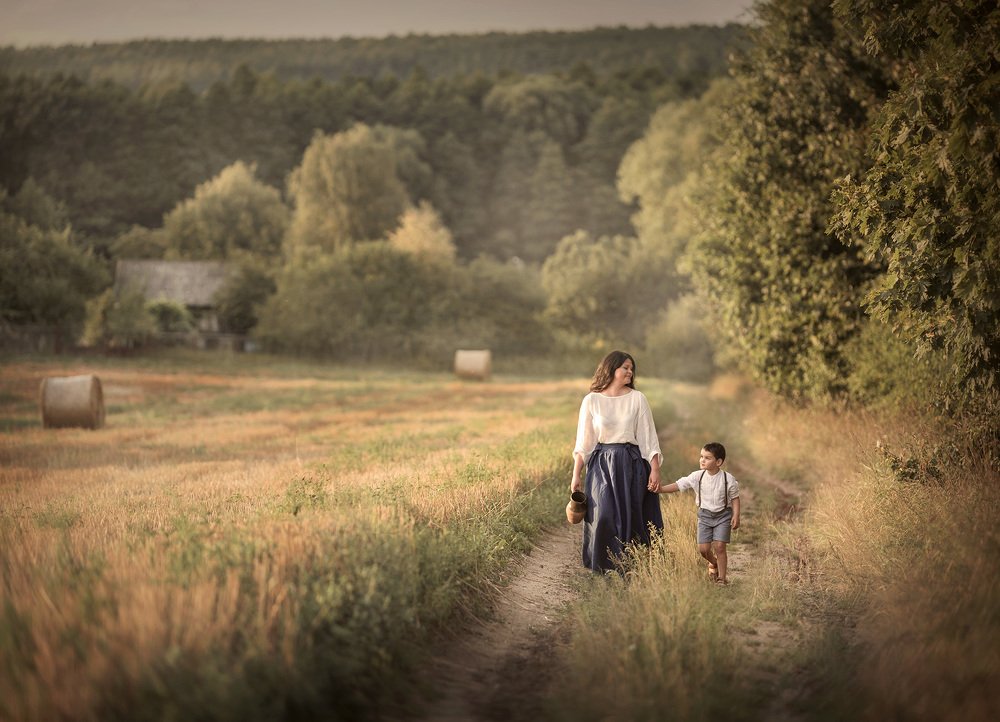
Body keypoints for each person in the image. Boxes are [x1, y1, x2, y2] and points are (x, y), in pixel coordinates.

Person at [572, 350, 663, 572]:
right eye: (625, 367)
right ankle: (604, 569)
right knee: (603, 515)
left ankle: (633, 567)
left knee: (633, 516)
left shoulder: (637, 398)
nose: (630, 372)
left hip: (632, 464)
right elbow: (584, 443)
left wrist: (654, 469)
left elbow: (648, 437)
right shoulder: (592, 400)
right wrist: (576, 475)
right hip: (602, 466)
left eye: (632, 368)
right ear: (611, 369)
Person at [658, 442, 741, 585]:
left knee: (720, 546)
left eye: (707, 458)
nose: (702, 460)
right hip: (704, 516)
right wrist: (661, 489)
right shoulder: (698, 476)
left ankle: (722, 578)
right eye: (701, 456)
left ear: (719, 462)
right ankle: (713, 563)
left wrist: (736, 515)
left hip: (723, 515)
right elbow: (680, 484)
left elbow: (735, 497)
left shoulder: (728, 479)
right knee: (703, 549)